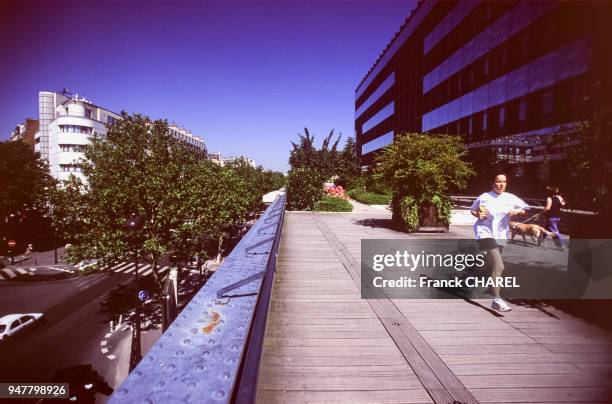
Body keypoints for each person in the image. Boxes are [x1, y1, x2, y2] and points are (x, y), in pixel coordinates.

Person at [470, 173, 529, 312]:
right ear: (492, 183)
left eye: (504, 181)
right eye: (498, 181)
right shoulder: (485, 197)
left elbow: (526, 209)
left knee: (493, 265)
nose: (502, 184)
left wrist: (518, 211)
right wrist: (478, 214)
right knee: (499, 265)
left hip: (501, 235)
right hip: (484, 233)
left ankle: (478, 276)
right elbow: (473, 210)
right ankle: (496, 300)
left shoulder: (510, 197)